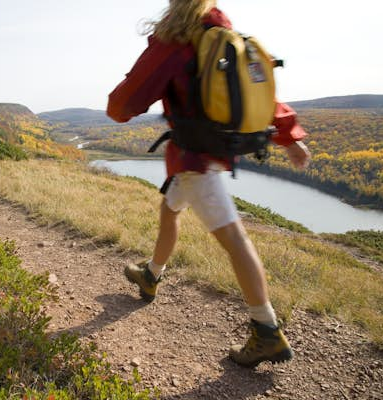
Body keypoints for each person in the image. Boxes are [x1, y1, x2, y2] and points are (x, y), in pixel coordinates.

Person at [106, 0, 311, 368]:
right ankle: (151, 275)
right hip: (210, 153)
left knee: (234, 238)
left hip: (195, 160)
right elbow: (259, 92)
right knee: (169, 209)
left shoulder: (176, 38)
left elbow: (127, 101)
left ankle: (267, 332)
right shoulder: (224, 37)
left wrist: (117, 108)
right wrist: (289, 135)